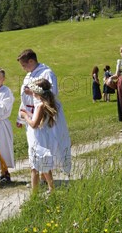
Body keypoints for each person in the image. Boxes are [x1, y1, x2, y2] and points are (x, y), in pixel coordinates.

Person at [16, 50, 72, 185]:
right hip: (32, 114)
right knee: (36, 146)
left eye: (24, 65)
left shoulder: (47, 73)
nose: (23, 69)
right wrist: (20, 117)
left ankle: (44, 177)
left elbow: (51, 94)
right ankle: (42, 177)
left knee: (45, 146)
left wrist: (33, 92)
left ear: (31, 61)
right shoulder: (29, 76)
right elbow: (24, 98)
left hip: (45, 116)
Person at [19, 78, 71, 194]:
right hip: (46, 136)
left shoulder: (40, 106)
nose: (32, 92)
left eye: (33, 91)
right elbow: (39, 118)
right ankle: (51, 189)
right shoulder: (50, 104)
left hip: (38, 137)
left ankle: (35, 193)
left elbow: (34, 124)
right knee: (44, 164)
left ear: (37, 92)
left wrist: (24, 115)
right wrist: (28, 113)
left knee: (35, 165)